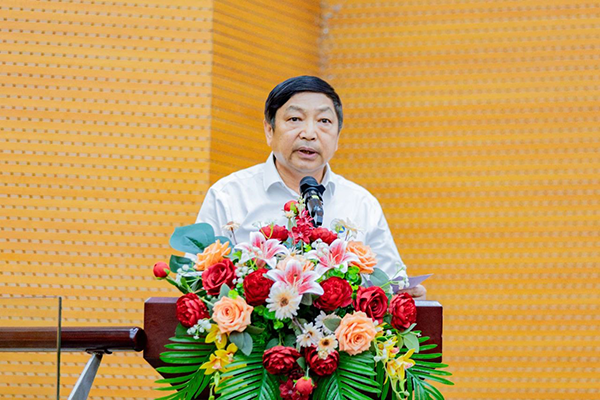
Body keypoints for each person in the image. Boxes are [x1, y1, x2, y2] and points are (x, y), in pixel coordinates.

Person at [194, 76, 426, 299]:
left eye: (324, 121)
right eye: (295, 119)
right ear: (269, 130)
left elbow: (391, 283)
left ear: (337, 137)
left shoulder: (361, 204)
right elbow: (195, 285)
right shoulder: (228, 196)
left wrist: (408, 298)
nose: (309, 134)